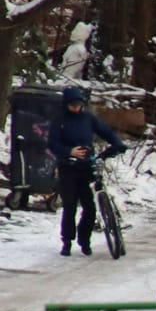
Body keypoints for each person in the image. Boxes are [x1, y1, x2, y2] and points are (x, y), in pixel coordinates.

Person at [47, 86, 124, 256]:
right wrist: (69, 152)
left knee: (89, 207)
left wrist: (117, 144)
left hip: (86, 166)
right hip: (68, 166)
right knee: (70, 206)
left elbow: (106, 131)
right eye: (72, 105)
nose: (76, 108)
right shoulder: (59, 120)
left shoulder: (88, 118)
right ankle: (67, 241)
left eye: (79, 105)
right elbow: (52, 144)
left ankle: (85, 239)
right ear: (66, 104)